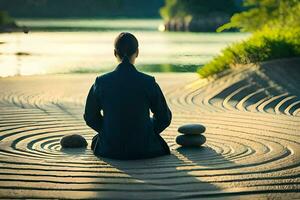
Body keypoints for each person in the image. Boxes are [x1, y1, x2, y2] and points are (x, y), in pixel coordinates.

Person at [84, 32, 172, 160]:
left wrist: (109, 130)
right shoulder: (148, 82)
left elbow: (90, 117)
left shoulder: (101, 82)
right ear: (137, 52)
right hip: (145, 148)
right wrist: (145, 130)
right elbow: (164, 117)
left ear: (115, 53)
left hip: (110, 149)